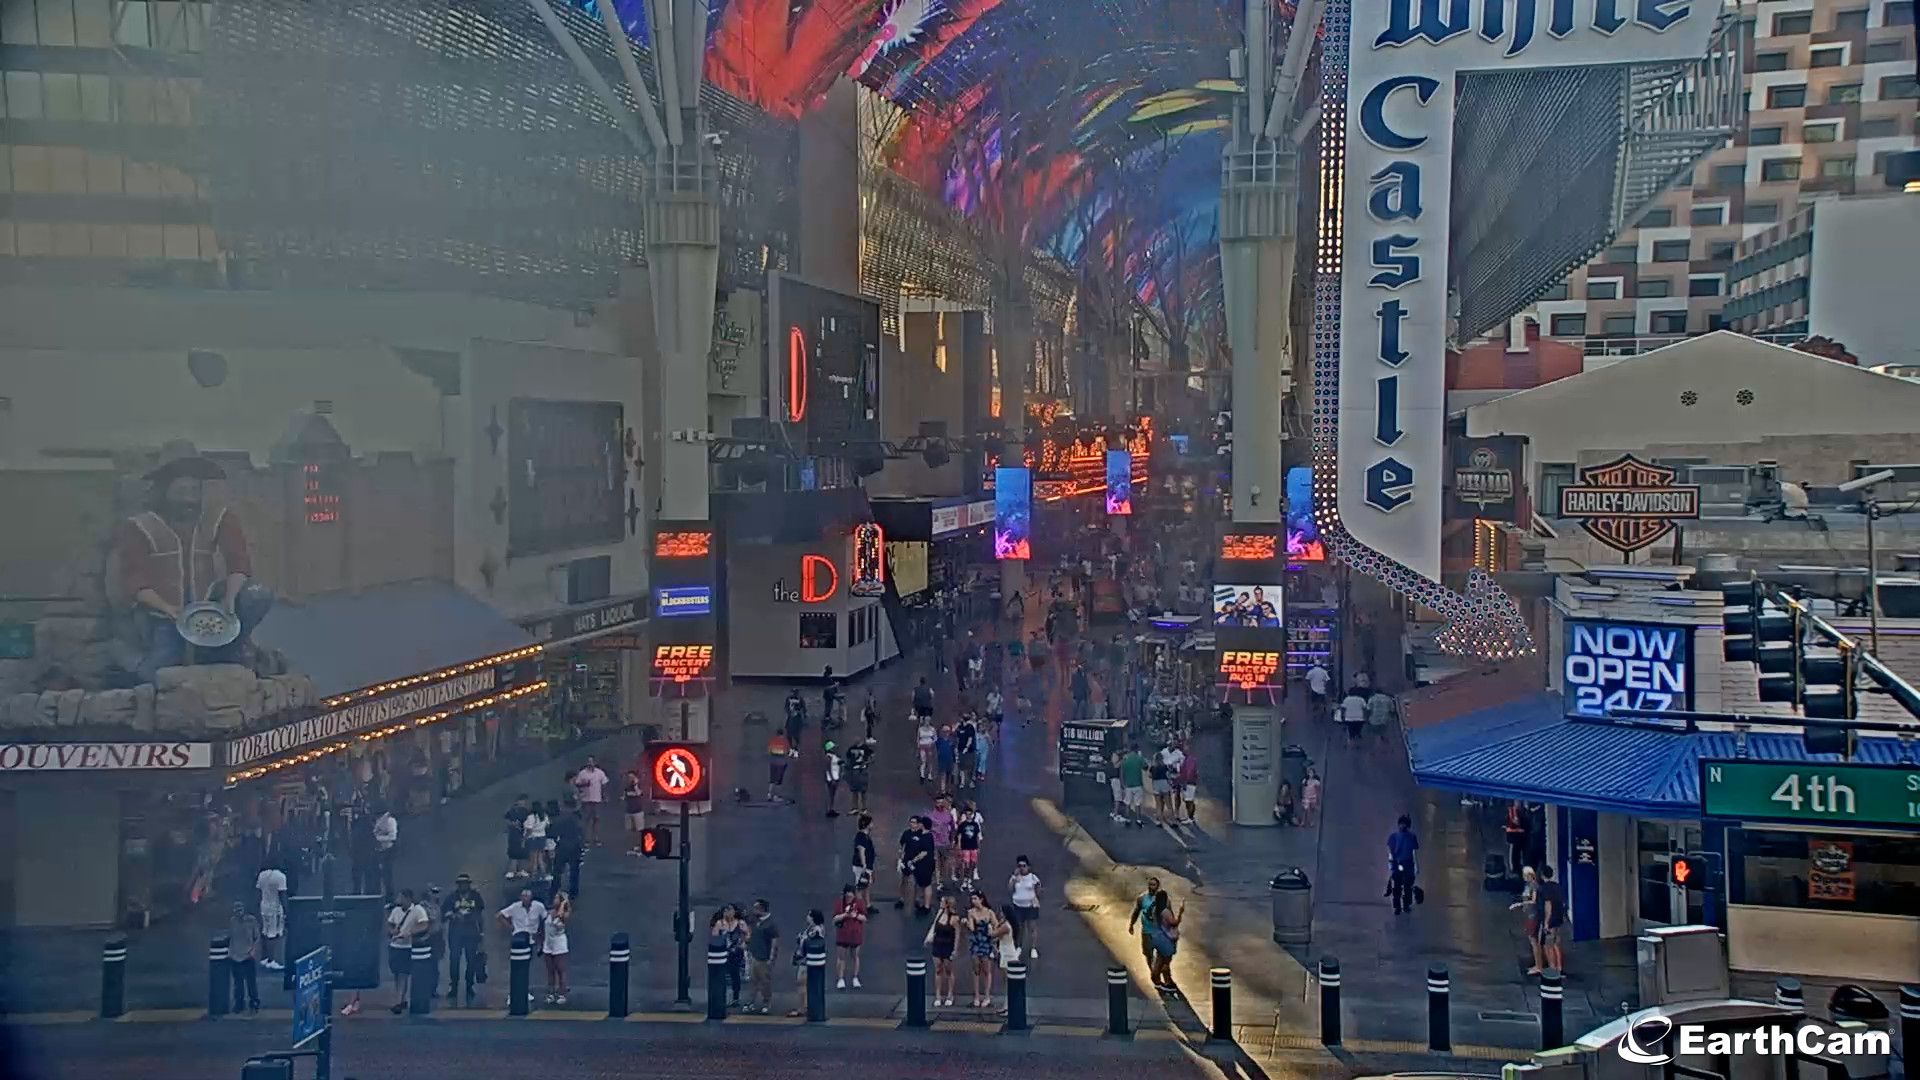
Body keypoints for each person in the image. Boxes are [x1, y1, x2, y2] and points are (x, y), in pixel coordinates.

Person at [442, 874, 486, 1007]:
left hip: (471, 933)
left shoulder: (475, 897)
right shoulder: (452, 897)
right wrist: (454, 916)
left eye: (465, 883)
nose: (463, 886)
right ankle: (453, 986)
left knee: (471, 960)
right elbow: (444, 913)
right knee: (454, 960)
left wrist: (481, 933)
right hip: (455, 934)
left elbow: (480, 915)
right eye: (461, 884)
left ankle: (469, 986)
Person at [386, 888, 429, 1013]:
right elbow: (390, 924)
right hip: (395, 946)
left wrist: (410, 933)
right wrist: (391, 931)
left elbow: (424, 925)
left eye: (401, 898)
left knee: (403, 974)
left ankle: (398, 1002)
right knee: (396, 974)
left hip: (408, 947)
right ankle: (401, 999)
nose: (399, 900)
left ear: (408, 898)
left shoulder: (418, 910)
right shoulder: (396, 910)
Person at [924, 893, 961, 1008]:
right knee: (938, 969)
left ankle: (950, 995)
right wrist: (928, 939)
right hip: (937, 944)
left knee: (948, 971)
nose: (940, 903)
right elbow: (934, 927)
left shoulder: (954, 918)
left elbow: (957, 935)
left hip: (947, 945)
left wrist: (955, 950)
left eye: (942, 902)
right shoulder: (939, 914)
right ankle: (938, 995)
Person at [788, 909, 827, 1017]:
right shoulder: (810, 928)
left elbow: (808, 942)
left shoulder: (817, 930)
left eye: (809, 915)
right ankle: (804, 1006)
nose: (807, 917)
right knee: (802, 984)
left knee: (802, 983)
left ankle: (803, 1007)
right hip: (804, 959)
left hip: (808, 960)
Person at [744, 899, 780, 1015]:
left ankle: (766, 1003)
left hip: (764, 958)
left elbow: (775, 941)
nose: (754, 910)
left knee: (764, 982)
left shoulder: (770, 924)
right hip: (754, 956)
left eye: (756, 908)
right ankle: (751, 1002)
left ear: (762, 909)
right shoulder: (756, 920)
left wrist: (771, 957)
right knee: (753, 981)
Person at [965, 891, 998, 1010]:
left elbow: (996, 925)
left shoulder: (989, 912)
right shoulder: (971, 912)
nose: (973, 901)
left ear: (981, 899)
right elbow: (972, 928)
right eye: (972, 899)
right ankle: (977, 996)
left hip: (986, 942)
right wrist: (968, 923)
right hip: (976, 942)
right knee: (976, 969)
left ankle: (987, 996)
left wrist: (992, 931)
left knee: (986, 970)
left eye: (975, 898)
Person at [1146, 891, 1184, 994]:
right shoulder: (1165, 911)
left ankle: (1156, 979)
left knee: (1159, 959)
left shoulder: (1155, 910)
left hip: (1158, 938)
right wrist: (1181, 912)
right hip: (1166, 939)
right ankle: (1168, 982)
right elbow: (1174, 923)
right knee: (1166, 961)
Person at [229, 900, 262, 1014]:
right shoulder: (232, 921)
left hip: (248, 955)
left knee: (251, 982)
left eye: (240, 909)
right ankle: (239, 1004)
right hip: (235, 955)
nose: (238, 912)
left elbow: (257, 937)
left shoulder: (251, 921)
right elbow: (231, 937)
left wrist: (253, 950)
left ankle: (254, 1002)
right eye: (236, 910)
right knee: (238, 983)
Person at [1127, 877, 1163, 980]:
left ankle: (1157, 970)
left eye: (1154, 885)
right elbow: (1136, 912)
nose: (1152, 887)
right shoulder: (1142, 898)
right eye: (1150, 884)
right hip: (1146, 932)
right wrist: (1131, 924)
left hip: (1159, 932)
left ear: (1157, 886)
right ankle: (1152, 970)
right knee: (1148, 954)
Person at [1510, 867, 1544, 975]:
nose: (1524, 877)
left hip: (1533, 916)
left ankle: (1539, 966)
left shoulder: (1534, 885)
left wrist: (1519, 904)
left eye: (1525, 875)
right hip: (1528, 915)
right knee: (1532, 940)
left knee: (1534, 941)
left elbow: (1533, 901)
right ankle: (1537, 964)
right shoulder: (1527, 885)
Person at [255, 859, 288, 971]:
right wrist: (286, 910)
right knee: (273, 934)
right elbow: (282, 894)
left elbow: (258, 892)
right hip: (275, 908)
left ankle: (264, 958)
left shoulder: (262, 875)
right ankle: (271, 960)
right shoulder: (280, 877)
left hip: (264, 906)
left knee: (265, 931)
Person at [832, 884, 866, 989]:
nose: (849, 897)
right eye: (848, 895)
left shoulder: (859, 903)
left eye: (851, 895)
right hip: (842, 934)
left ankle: (855, 977)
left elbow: (864, 918)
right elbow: (835, 919)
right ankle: (841, 978)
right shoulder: (840, 904)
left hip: (855, 934)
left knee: (855, 956)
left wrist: (855, 915)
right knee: (841, 957)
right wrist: (845, 915)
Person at [1007, 856, 1042, 958]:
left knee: (1032, 927)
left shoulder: (1033, 877)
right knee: (1020, 928)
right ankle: (1019, 947)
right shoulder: (1015, 878)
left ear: (1028, 867)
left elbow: (1039, 889)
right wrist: (1014, 878)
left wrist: (1035, 898)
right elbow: (1010, 889)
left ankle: (1033, 948)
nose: (1022, 868)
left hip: (1030, 906)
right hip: (1018, 906)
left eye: (1024, 866)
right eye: (1019, 866)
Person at [542, 890, 572, 1006]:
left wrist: (564, 904)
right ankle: (550, 993)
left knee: (560, 970)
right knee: (550, 970)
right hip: (548, 944)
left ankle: (562, 993)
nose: (554, 900)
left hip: (559, 944)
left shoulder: (565, 913)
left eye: (556, 898)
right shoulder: (549, 912)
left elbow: (560, 917)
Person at [1535, 864, 1567, 974]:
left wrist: (1546, 922)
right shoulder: (1557, 886)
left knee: (1548, 945)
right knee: (1556, 944)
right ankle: (1559, 967)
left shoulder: (1544, 888)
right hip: (1558, 919)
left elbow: (1548, 906)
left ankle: (1552, 968)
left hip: (1551, 920)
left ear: (1542, 875)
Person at [571, 756, 610, 846]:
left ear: (594, 762)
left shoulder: (600, 773)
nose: (590, 763)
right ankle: (586, 839)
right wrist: (584, 784)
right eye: (588, 761)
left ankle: (596, 838)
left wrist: (605, 796)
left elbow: (604, 784)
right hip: (586, 800)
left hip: (597, 799)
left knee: (596, 819)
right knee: (587, 819)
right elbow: (577, 784)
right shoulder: (582, 773)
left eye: (591, 761)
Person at [1387, 815, 1420, 915]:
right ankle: (1402, 906)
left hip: (1404, 864)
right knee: (1402, 886)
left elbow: (1413, 852)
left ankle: (1402, 906)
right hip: (1402, 864)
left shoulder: (1396, 837)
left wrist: (1416, 865)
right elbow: (1390, 852)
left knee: (1403, 886)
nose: (1402, 826)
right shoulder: (1407, 837)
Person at [850, 813, 877, 914]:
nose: (873, 825)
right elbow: (861, 851)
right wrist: (864, 865)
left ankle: (868, 905)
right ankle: (859, 907)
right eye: (871, 823)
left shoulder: (865, 836)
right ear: (867, 824)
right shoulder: (861, 837)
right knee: (860, 887)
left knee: (866, 885)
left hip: (867, 866)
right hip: (861, 867)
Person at [928, 794, 957, 885]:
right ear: (935, 803)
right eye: (938, 802)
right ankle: (937, 881)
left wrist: (953, 840)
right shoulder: (931, 815)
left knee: (944, 863)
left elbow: (953, 828)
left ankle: (942, 879)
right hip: (934, 842)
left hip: (945, 842)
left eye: (941, 802)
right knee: (936, 861)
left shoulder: (948, 815)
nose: (939, 804)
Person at [955, 801, 984, 888]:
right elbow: (959, 836)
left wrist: (978, 847)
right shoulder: (962, 825)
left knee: (973, 863)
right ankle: (965, 879)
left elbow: (977, 836)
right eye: (966, 814)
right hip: (965, 847)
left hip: (973, 846)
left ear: (971, 814)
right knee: (966, 864)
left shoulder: (975, 825)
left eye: (969, 814)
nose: (968, 815)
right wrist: (959, 845)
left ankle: (970, 879)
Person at [502, 795, 533, 880]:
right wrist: (512, 824)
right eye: (522, 801)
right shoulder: (513, 811)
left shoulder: (526, 812)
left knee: (522, 854)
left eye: (524, 802)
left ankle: (520, 870)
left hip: (521, 835)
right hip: (515, 835)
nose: (523, 803)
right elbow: (506, 819)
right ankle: (512, 871)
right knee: (514, 853)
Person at [1119, 744, 1148, 827]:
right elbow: (1145, 767)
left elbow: (1121, 772)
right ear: (1137, 749)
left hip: (1128, 785)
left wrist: (1122, 783)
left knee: (1127, 803)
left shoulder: (1125, 759)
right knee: (1137, 803)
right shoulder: (1139, 758)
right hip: (1138, 784)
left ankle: (1128, 819)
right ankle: (1138, 820)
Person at [372, 807, 398, 897]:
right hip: (376, 851)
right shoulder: (376, 821)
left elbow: (393, 837)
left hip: (388, 851)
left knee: (387, 876)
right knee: (376, 876)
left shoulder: (390, 821)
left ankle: (389, 896)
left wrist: (378, 839)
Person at [766, 729, 795, 804]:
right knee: (779, 780)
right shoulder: (785, 741)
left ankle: (769, 794)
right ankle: (776, 796)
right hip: (781, 763)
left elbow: (769, 750)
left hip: (773, 762)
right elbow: (787, 752)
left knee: (772, 779)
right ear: (782, 734)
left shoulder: (772, 740)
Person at [844, 737, 872, 813]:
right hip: (855, 770)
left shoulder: (865, 748)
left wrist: (866, 763)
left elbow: (871, 757)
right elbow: (848, 758)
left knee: (863, 790)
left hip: (862, 770)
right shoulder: (851, 748)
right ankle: (855, 807)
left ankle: (864, 808)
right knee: (854, 790)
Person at [953, 713, 979, 791]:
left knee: (969, 766)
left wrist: (966, 747)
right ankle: (962, 782)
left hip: (969, 751)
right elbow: (956, 736)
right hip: (960, 749)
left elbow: (970, 739)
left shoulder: (970, 727)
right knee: (961, 766)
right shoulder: (960, 727)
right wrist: (956, 748)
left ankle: (971, 781)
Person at [1176, 748, 1199, 826]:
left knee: (1189, 801)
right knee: (1188, 800)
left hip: (1189, 783)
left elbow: (1189, 772)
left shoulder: (1189, 760)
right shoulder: (1188, 759)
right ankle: (1190, 817)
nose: (1182, 752)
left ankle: (1190, 818)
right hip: (1189, 782)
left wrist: (1185, 782)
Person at [822, 741, 844, 819]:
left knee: (833, 795)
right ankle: (829, 809)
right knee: (831, 794)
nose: (835, 748)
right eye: (833, 747)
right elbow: (828, 768)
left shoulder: (834, 756)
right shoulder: (828, 757)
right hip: (832, 779)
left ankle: (831, 809)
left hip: (835, 777)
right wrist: (832, 779)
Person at [933, 724, 957, 795]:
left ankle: (948, 789)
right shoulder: (939, 741)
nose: (946, 732)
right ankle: (943, 790)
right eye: (944, 731)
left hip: (950, 760)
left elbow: (954, 750)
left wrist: (955, 759)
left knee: (949, 776)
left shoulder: (952, 741)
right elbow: (936, 750)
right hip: (942, 760)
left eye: (948, 731)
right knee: (943, 775)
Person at [915, 716, 937, 782]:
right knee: (923, 761)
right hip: (922, 746)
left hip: (929, 746)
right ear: (924, 721)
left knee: (930, 761)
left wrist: (932, 742)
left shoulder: (932, 729)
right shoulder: (920, 729)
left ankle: (930, 775)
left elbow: (935, 738)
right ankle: (922, 775)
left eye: (928, 720)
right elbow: (918, 739)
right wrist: (918, 747)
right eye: (926, 720)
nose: (927, 722)